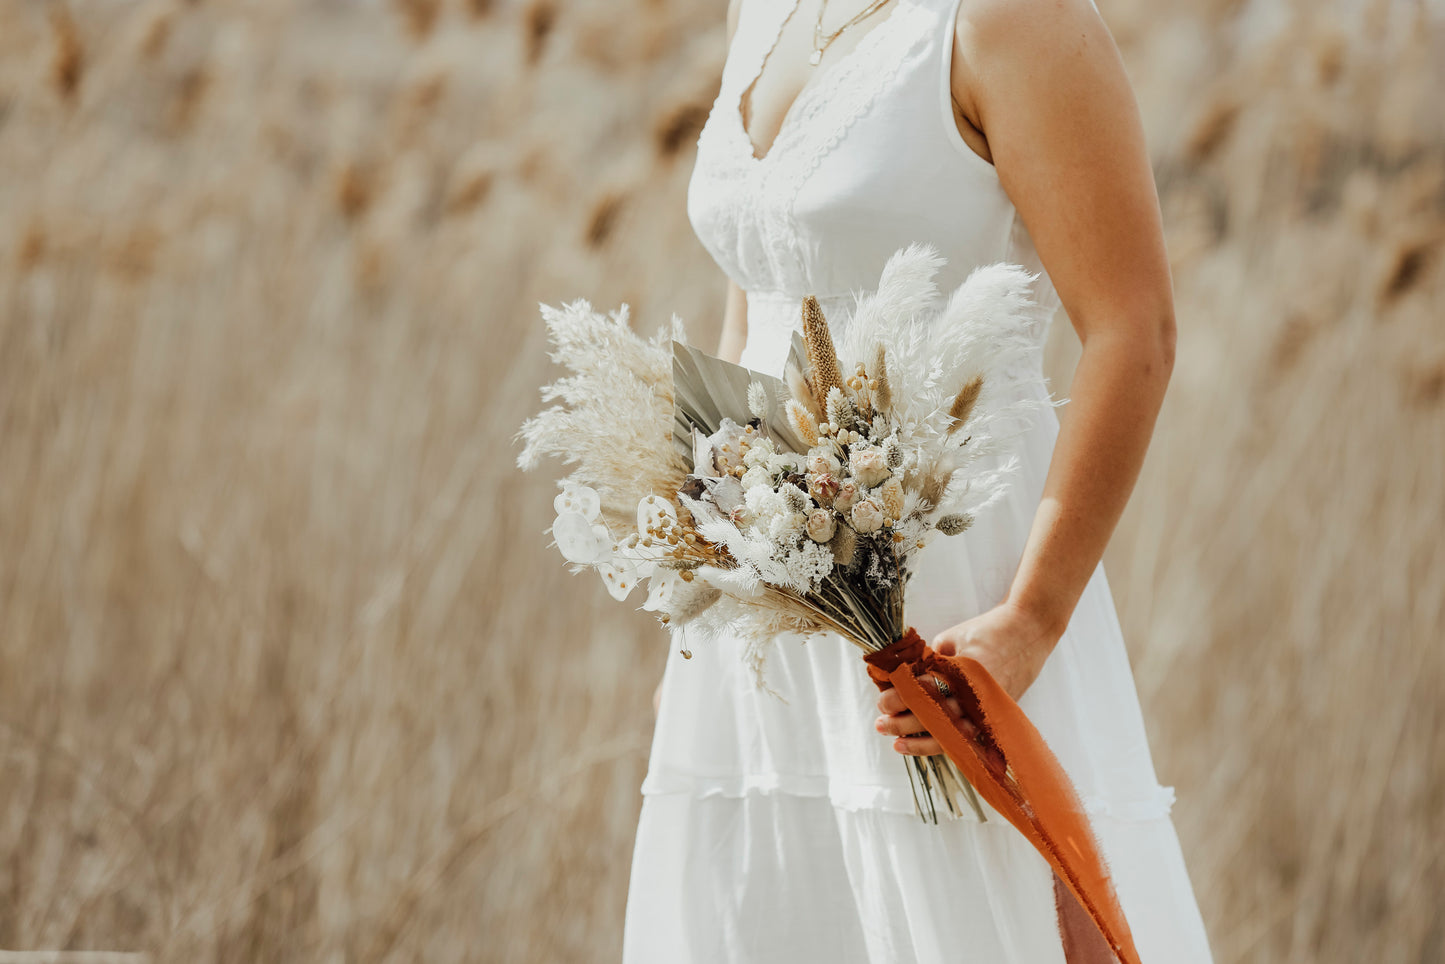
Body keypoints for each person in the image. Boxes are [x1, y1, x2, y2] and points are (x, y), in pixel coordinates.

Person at [624, 0, 1215, 959]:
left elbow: (1132, 327)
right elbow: (750, 333)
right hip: (767, 615)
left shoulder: (1013, 22)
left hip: (949, 602)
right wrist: (696, 615)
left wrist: (1028, 624)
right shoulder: (760, 11)